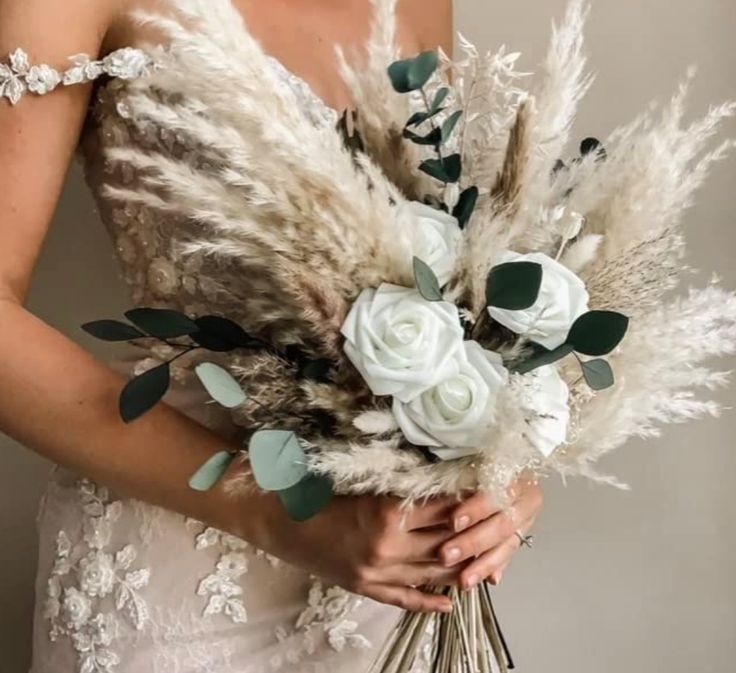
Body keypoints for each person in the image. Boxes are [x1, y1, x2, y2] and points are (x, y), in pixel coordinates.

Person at [0, 0, 543, 670]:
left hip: (392, 571)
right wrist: (276, 511)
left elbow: (449, 285)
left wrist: (499, 468)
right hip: (179, 569)